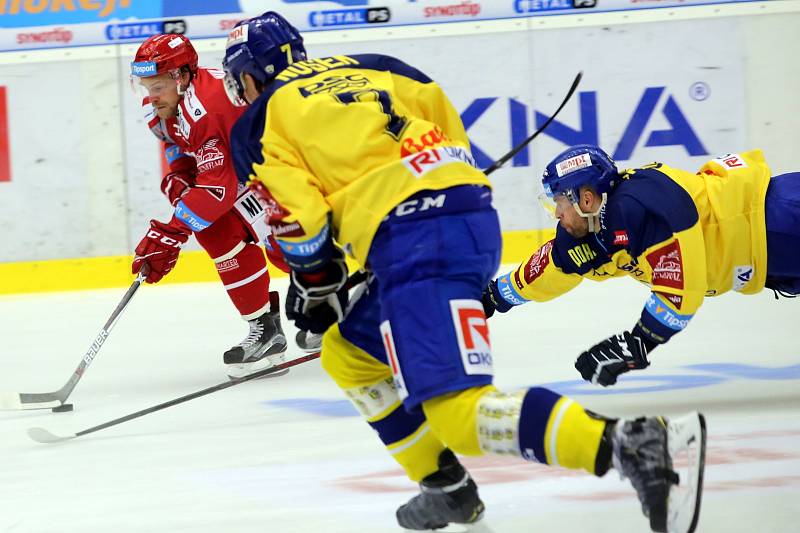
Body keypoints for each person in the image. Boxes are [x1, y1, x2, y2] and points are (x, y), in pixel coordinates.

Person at [222, 12, 707, 533]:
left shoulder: (259, 119)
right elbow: (448, 136)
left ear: (249, 77)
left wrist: (316, 287)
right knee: (349, 354)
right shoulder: (380, 67)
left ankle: (628, 444)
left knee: (457, 412)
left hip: (418, 243)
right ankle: (446, 488)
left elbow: (301, 220)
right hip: (468, 219)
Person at [483, 144, 799, 387]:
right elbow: (553, 266)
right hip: (766, 255)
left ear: (587, 199)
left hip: (775, 219)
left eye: (560, 204)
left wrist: (639, 342)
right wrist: (495, 296)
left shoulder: (642, 207)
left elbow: (682, 289)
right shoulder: (592, 229)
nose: (556, 214)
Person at [129, 34, 299, 378]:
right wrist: (177, 183)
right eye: (146, 85)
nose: (152, 94)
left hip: (291, 168)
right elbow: (184, 157)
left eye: (158, 84)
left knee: (289, 251)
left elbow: (217, 188)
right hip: (248, 173)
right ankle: (265, 331)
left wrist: (173, 231)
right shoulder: (165, 108)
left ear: (183, 77)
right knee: (215, 229)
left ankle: (350, 308)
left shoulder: (205, 106)